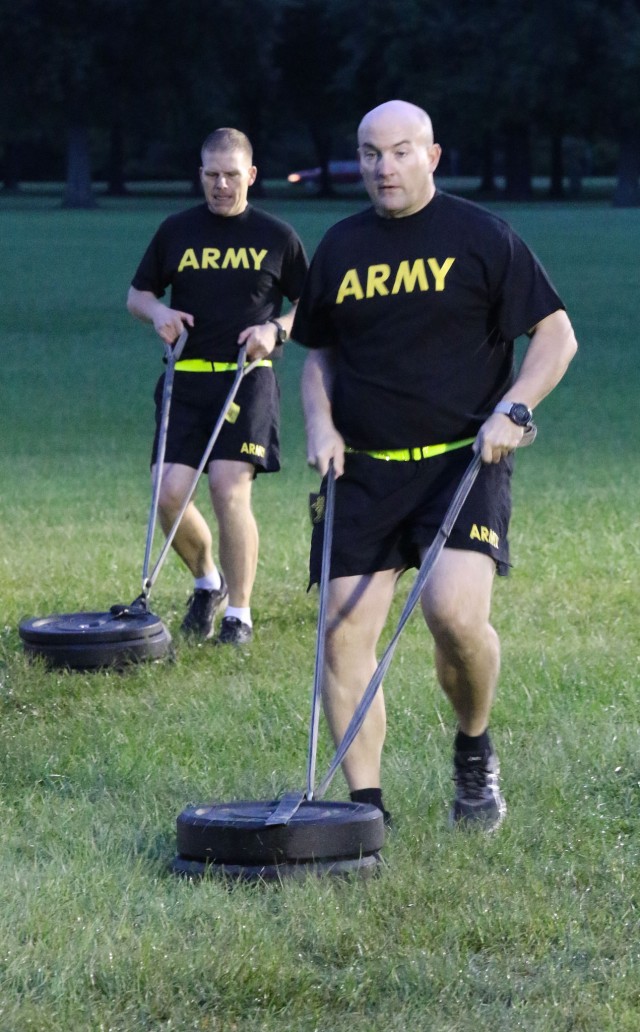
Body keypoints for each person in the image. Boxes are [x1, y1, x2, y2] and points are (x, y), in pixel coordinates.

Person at [292, 100, 578, 829]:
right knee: (341, 633)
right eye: (369, 153)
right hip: (361, 469)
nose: (383, 167)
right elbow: (319, 355)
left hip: (462, 463)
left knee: (453, 615)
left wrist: (514, 409)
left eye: (399, 151)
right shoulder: (339, 248)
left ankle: (474, 749)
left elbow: (556, 336)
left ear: (432, 155)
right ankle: (365, 814)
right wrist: (320, 425)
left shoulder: (482, 236)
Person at [127, 128, 308, 645]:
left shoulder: (277, 236)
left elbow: (310, 308)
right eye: (211, 175)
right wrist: (158, 311)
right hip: (185, 381)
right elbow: (137, 295)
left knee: (229, 490)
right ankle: (209, 583)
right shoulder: (175, 230)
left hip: (246, 381)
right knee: (168, 495)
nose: (221, 185)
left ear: (251, 175)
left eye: (231, 175)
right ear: (200, 175)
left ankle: (240, 616)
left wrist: (275, 331)